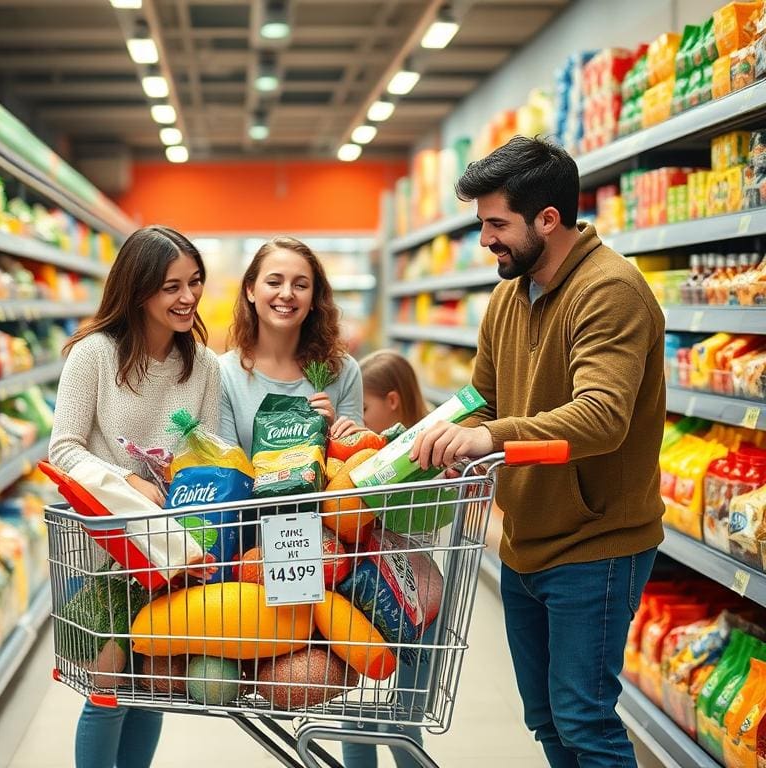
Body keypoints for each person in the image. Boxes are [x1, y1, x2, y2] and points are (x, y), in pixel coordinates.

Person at [410, 136, 665, 768]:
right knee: (548, 720)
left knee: (584, 720)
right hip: (526, 536)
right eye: (482, 224)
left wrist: (489, 438)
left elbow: (602, 418)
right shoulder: (507, 294)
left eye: (497, 225)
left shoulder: (610, 290)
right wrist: (408, 440)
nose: (485, 241)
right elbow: (483, 400)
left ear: (547, 220)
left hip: (597, 541)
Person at [49, 225, 221, 768]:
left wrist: (187, 479)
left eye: (194, 282)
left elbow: (206, 457)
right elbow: (65, 449)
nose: (188, 297)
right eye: (171, 286)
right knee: (106, 691)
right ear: (139, 288)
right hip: (107, 549)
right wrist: (129, 483)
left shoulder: (204, 367)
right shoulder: (93, 355)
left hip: (173, 551)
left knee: (154, 690)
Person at [341, 349, 435, 768]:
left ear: (392, 402)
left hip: (416, 602)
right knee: (364, 715)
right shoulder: (367, 459)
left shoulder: (426, 453)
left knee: (399, 718)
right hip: (391, 591)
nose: (359, 417)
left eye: (364, 407)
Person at [218, 235, 363, 453]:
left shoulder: (343, 371)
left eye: (300, 285)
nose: (286, 294)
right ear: (250, 290)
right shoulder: (224, 373)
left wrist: (333, 435)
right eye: (274, 282)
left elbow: (354, 468)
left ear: (314, 298)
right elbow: (226, 469)